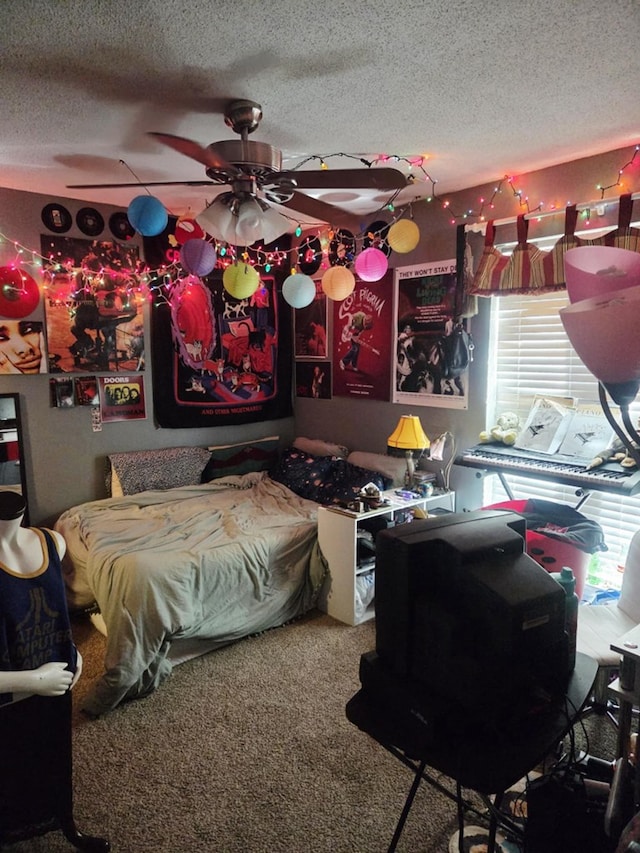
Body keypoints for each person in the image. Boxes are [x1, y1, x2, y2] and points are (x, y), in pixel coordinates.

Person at [0, 491, 109, 851]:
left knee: (52, 759)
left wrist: (74, 654)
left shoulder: (54, 542)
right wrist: (33, 680)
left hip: (56, 684)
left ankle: (62, 820)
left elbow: (54, 613)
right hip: (11, 694)